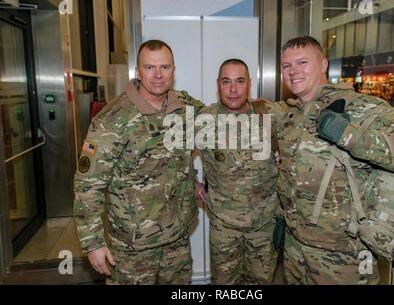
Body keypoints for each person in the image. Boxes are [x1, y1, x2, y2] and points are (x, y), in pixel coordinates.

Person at [276, 36, 394, 285]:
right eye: (286, 66)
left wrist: (349, 134)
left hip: (346, 255)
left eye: (302, 62)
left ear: (324, 65)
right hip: (296, 250)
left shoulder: (361, 108)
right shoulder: (289, 118)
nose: (293, 71)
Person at [74, 39, 204, 285]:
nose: (157, 75)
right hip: (132, 247)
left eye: (164, 67)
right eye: (150, 67)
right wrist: (92, 243)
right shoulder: (112, 118)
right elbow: (88, 184)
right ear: (138, 71)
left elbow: (218, 126)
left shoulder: (185, 107)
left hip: (177, 239)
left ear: (174, 71)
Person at [195, 59, 287, 284]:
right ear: (218, 85)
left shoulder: (269, 113)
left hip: (265, 226)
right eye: (226, 82)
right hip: (224, 227)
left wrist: (285, 157)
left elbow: (298, 143)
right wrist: (193, 182)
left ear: (249, 84)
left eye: (240, 81)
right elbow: (173, 158)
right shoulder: (203, 121)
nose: (233, 89)